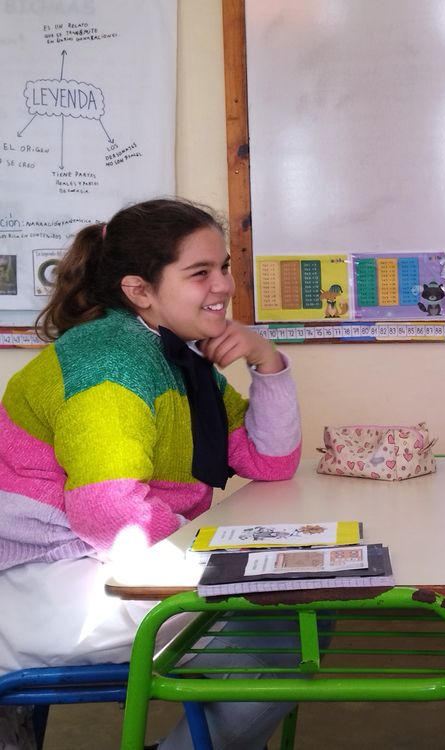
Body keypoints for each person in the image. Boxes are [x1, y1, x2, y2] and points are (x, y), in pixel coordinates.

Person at [0, 199, 303, 749]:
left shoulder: (174, 356)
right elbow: (109, 515)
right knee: (279, 650)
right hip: (47, 585)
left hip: (111, 564)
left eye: (225, 267)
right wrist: (221, 558)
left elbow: (268, 461)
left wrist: (267, 360)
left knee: (304, 620)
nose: (223, 286)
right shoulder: (108, 363)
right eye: (199, 273)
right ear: (140, 290)